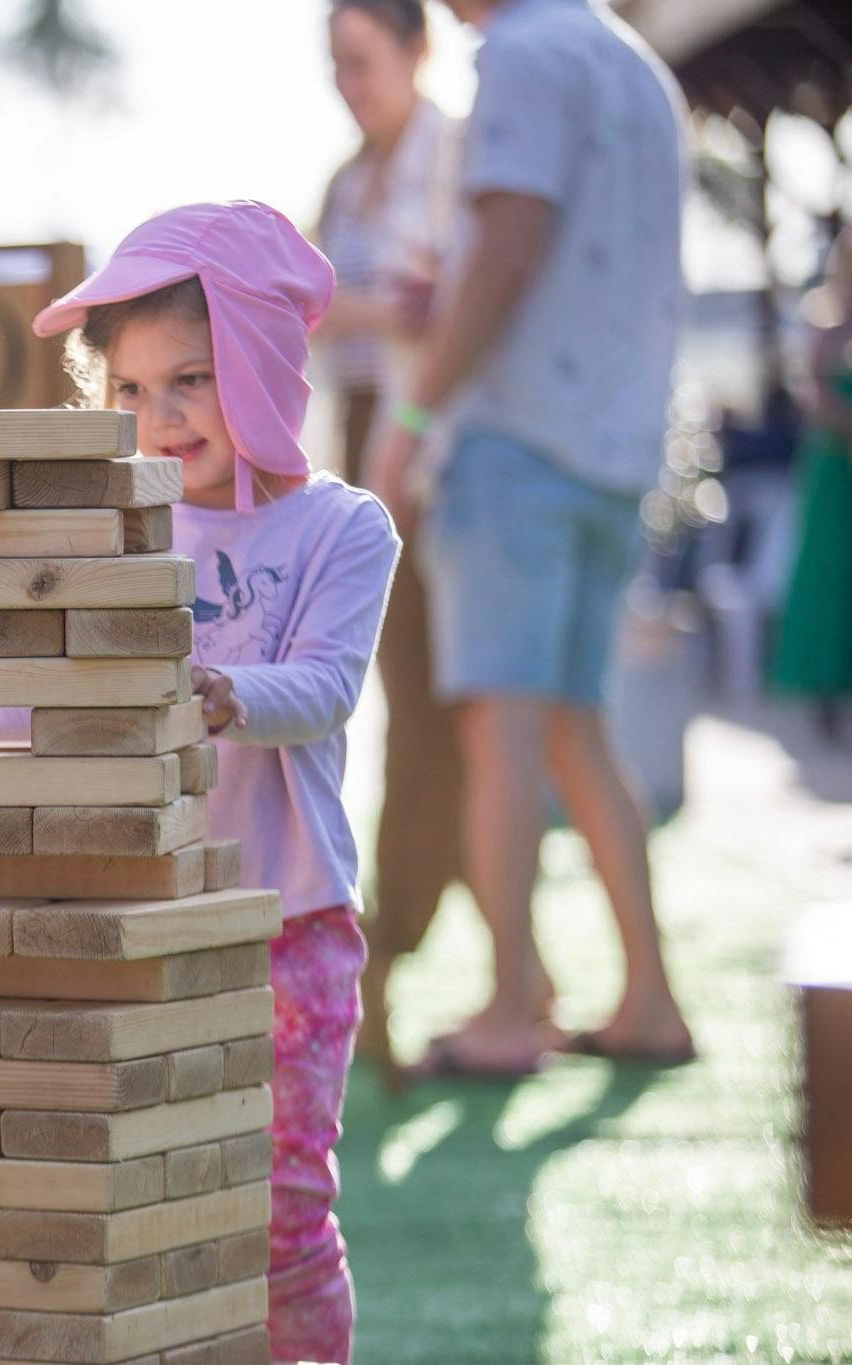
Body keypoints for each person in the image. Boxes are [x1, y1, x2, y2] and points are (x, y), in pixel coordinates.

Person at [30, 202, 399, 1364]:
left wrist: (231, 694)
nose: (158, 415)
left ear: (263, 362)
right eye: (130, 390)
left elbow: (329, 684)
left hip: (285, 928)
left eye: (189, 376)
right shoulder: (96, 527)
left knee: (279, 1218)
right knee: (142, 1216)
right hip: (132, 925)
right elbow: (24, 705)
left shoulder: (343, 527)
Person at [366, 0, 695, 1075]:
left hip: (515, 444)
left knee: (498, 734)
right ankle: (646, 997)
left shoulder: (518, 52)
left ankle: (510, 1006)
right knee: (574, 728)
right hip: (613, 445)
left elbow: (508, 246)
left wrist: (413, 418)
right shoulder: (634, 65)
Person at [315, 0, 466, 1073]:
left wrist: (360, 311)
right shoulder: (343, 180)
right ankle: (385, 943)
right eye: (334, 63)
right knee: (390, 707)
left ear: (416, 51)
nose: (346, 82)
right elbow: (334, 312)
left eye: (360, 60)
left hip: (429, 442)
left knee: (427, 710)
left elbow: (432, 311)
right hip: (366, 441)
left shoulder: (449, 156)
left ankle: (389, 939)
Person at [773, 227, 852, 734]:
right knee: (829, 577)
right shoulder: (824, 320)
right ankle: (824, 692)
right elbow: (816, 396)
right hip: (834, 468)